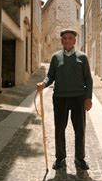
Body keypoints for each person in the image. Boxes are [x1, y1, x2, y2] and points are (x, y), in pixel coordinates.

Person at [36, 29, 93, 170]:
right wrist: (44, 83)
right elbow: (50, 76)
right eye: (64, 38)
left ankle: (80, 158)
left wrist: (88, 98)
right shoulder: (56, 58)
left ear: (75, 41)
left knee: (79, 129)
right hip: (60, 98)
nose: (67, 40)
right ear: (61, 41)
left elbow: (88, 79)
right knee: (60, 129)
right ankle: (60, 158)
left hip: (78, 98)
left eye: (70, 38)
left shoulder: (82, 57)